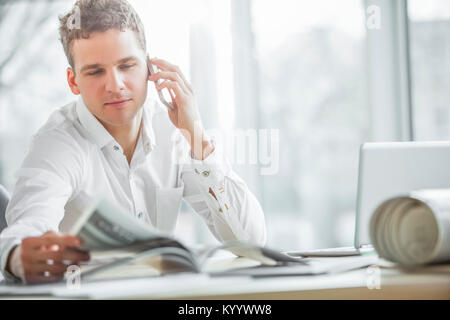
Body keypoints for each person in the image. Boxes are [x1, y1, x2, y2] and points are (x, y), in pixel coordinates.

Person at [0, 0, 266, 284]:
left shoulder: (173, 132)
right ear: (73, 81)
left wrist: (196, 136)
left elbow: (251, 240)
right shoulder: (58, 143)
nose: (115, 85)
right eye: (95, 71)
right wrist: (18, 256)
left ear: (150, 67)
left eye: (127, 65)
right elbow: (28, 224)